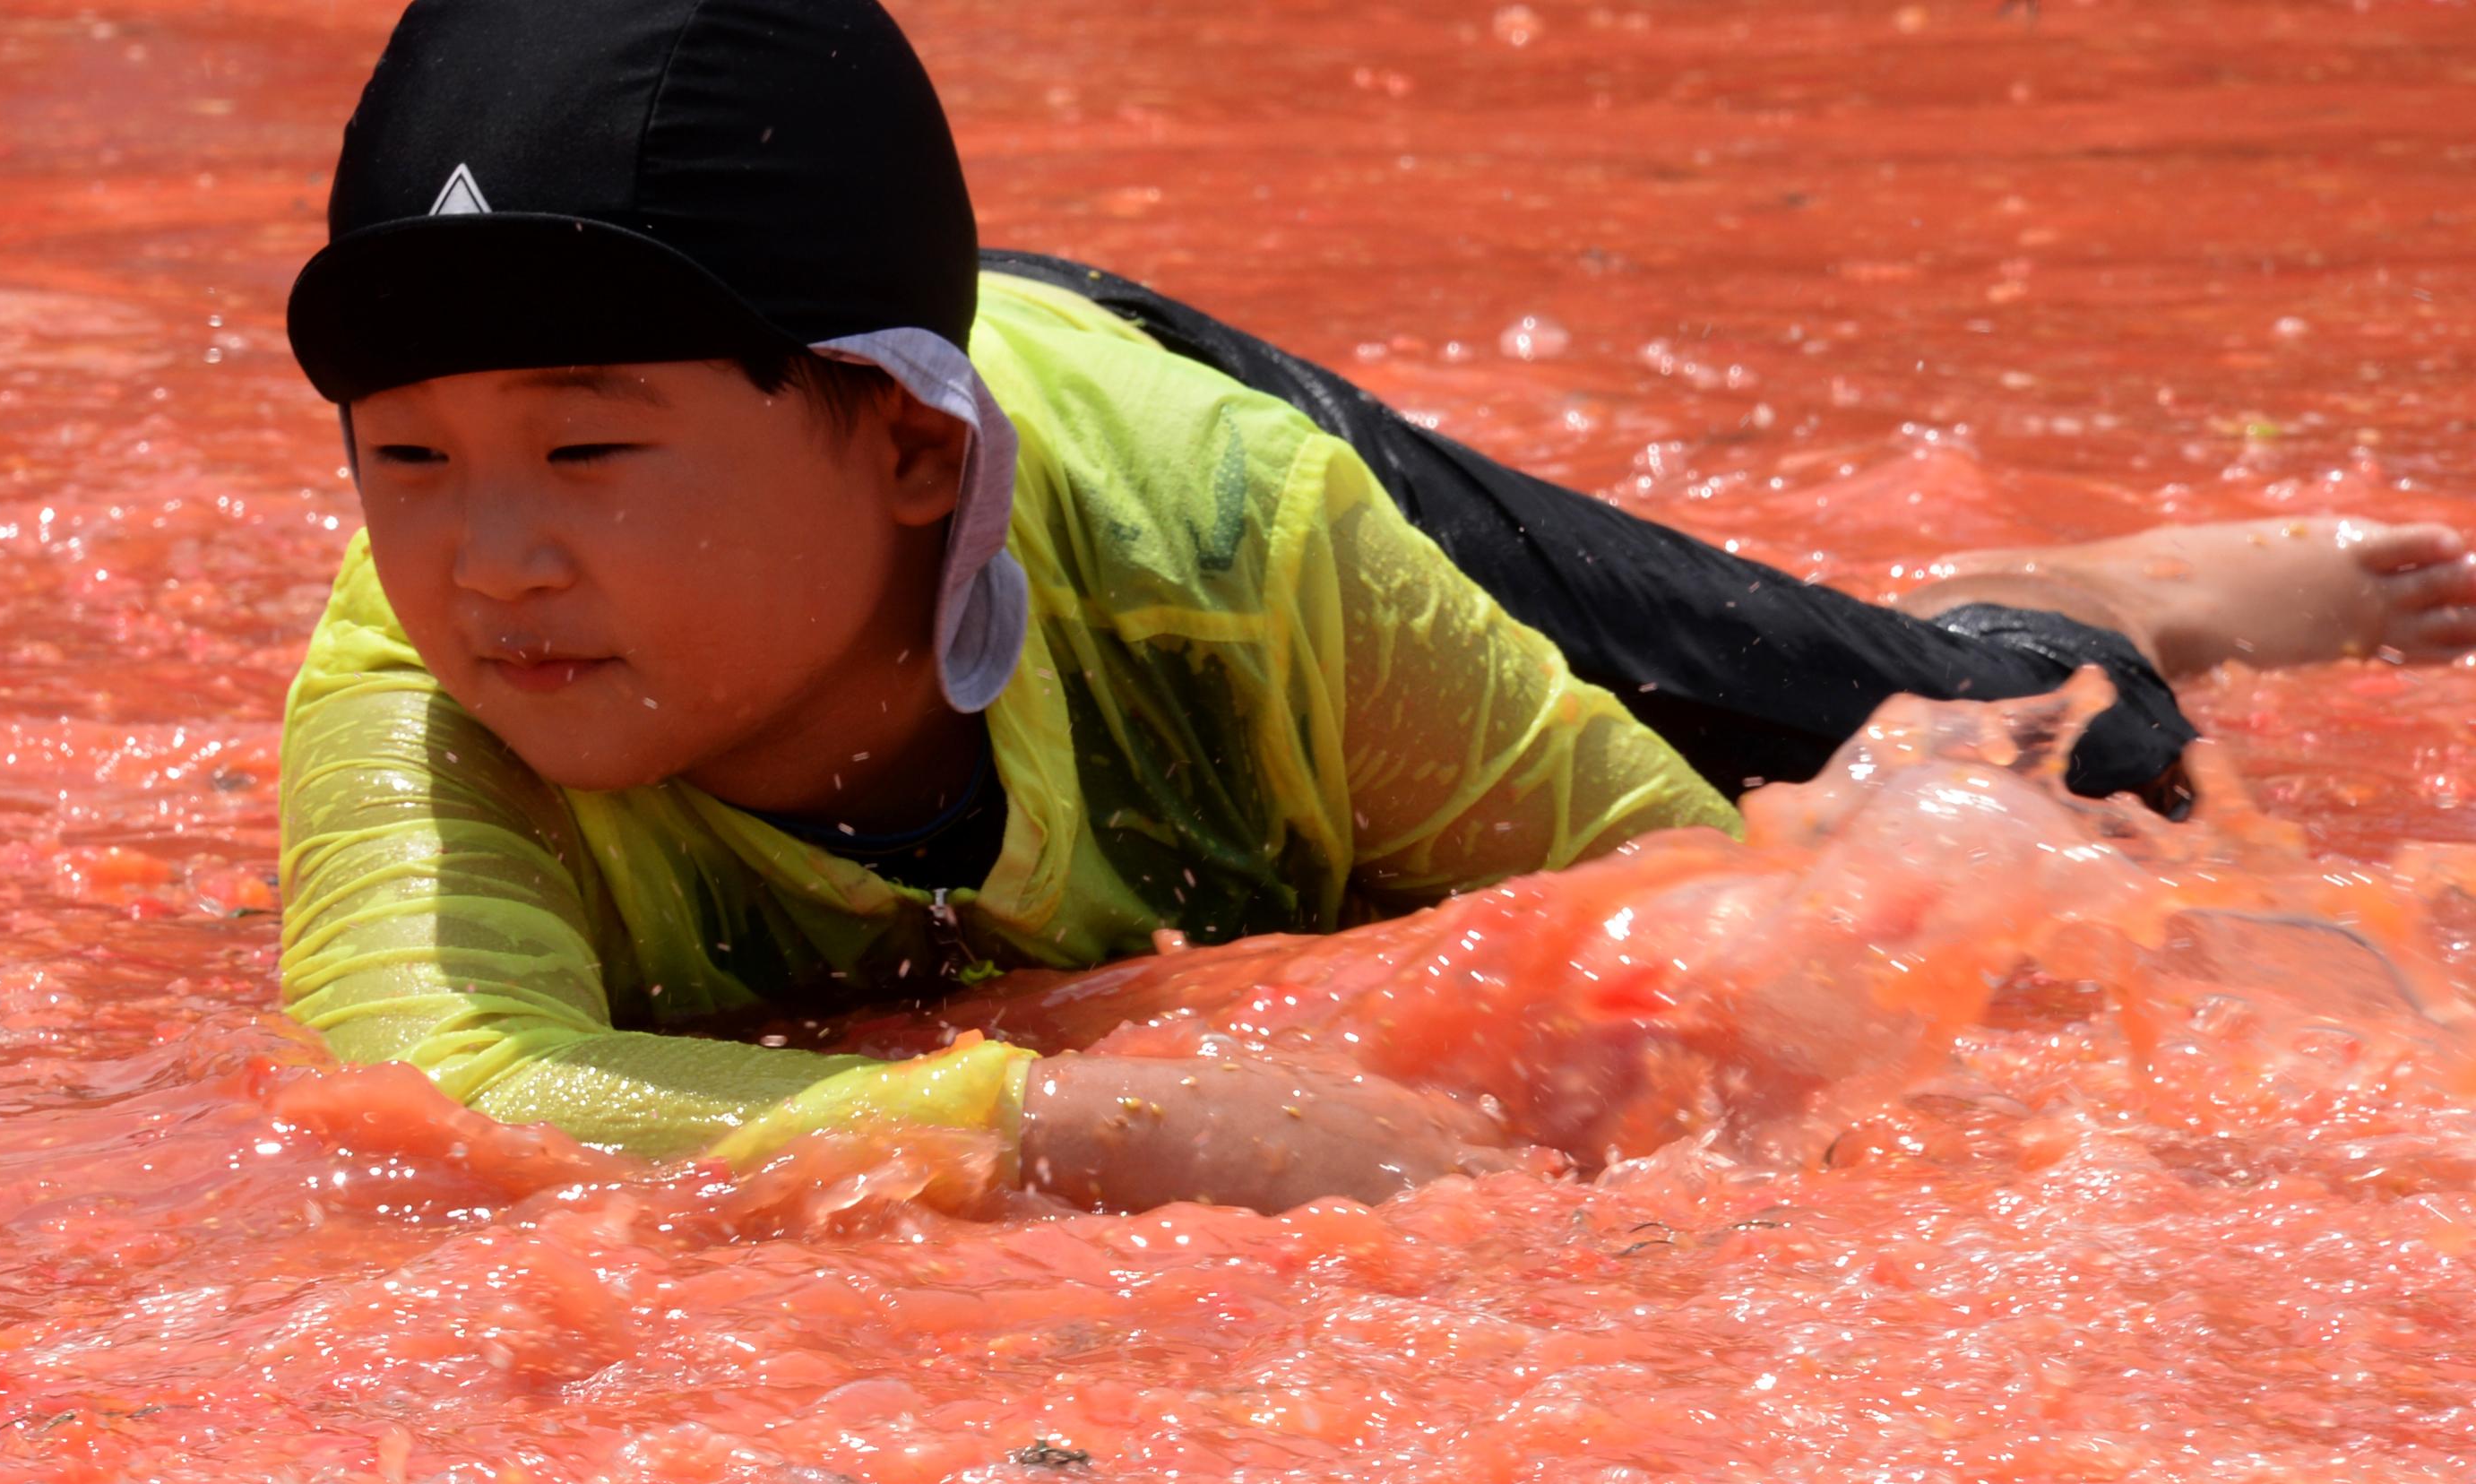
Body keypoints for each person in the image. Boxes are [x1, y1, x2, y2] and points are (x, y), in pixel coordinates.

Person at [276, 0, 2476, 1214]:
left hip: (1157, 437)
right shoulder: (418, 689)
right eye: (405, 456)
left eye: (581, 452)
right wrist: (1047, 1120)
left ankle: (2065, 595)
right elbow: (433, 1085)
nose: (489, 560)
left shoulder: (1240, 542)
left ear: (910, 453)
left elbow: (1697, 903)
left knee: (2027, 756)